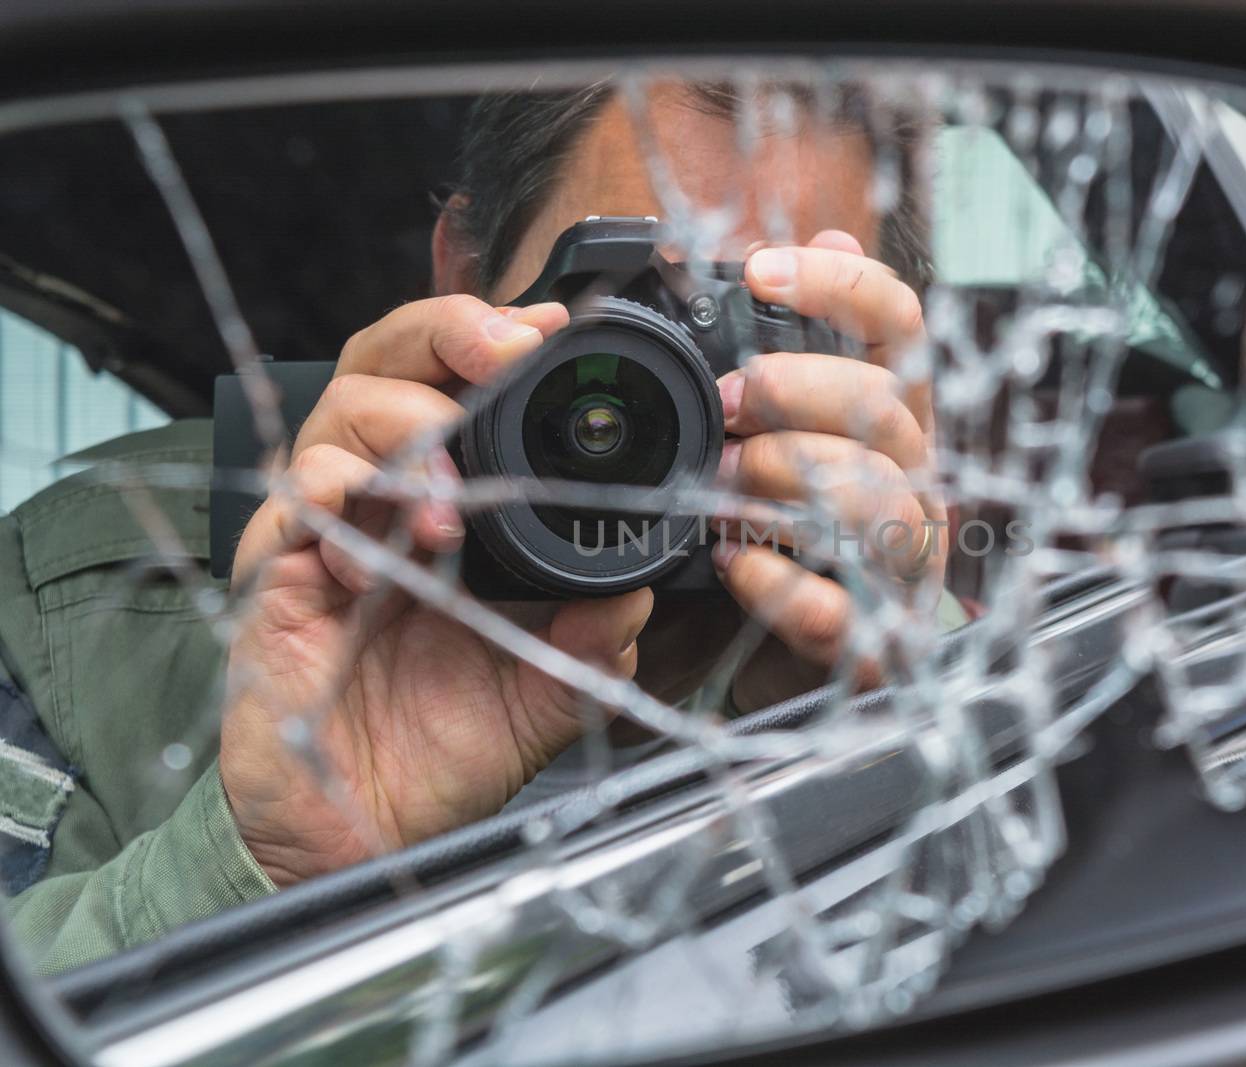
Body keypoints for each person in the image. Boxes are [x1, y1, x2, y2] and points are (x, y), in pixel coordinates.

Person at [0, 80, 960, 972]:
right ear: (464, 269)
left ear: (873, 377)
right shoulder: (68, 605)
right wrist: (271, 865)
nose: (672, 398)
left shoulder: (927, 667)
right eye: (626, 306)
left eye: (756, 322)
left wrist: (878, 732)